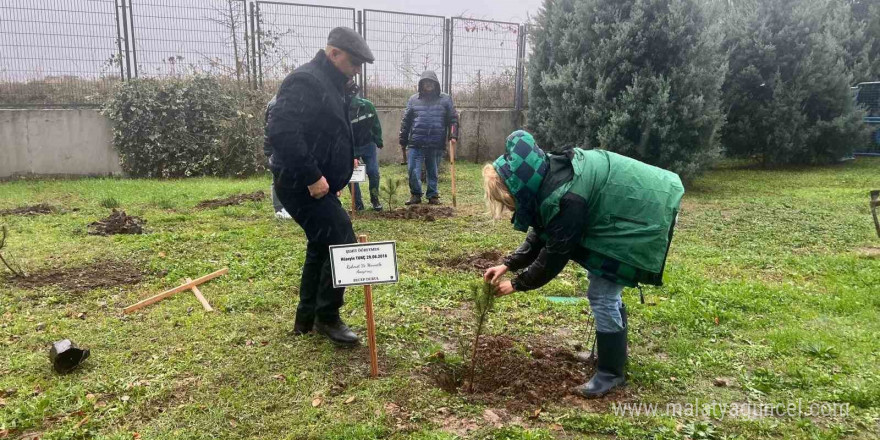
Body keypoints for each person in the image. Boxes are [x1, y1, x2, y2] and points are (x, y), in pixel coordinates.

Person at [482, 130, 684, 398]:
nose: (509, 208)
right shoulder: (547, 175)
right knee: (605, 290)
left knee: (602, 293)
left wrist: (518, 284)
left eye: (508, 201)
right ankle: (609, 355)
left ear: (519, 187)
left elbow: (555, 253)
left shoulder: (568, 198)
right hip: (632, 206)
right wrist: (508, 264)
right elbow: (544, 231)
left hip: (645, 210)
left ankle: (611, 373)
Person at [267, 27, 374, 346]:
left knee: (321, 243)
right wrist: (315, 178)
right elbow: (282, 132)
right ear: (334, 53)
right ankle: (328, 316)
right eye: (354, 63)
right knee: (341, 236)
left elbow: (331, 131)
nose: (357, 70)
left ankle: (306, 318)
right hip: (300, 182)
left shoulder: (333, 83)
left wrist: (338, 172)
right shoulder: (306, 80)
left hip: (318, 184)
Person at [399, 71, 458, 205]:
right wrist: (403, 139)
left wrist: (453, 135)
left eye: (431, 82)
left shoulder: (445, 99)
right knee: (413, 170)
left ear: (435, 83)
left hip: (436, 142)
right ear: (421, 84)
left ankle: (433, 195)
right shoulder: (413, 99)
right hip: (416, 142)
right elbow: (406, 121)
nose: (428, 84)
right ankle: (415, 195)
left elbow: (453, 119)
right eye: (425, 82)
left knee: (433, 171)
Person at [347, 87, 384, 211]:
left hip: (368, 144)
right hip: (351, 146)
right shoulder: (342, 110)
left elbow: (376, 124)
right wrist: (351, 154)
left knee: (373, 172)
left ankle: (375, 200)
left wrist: (378, 140)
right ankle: (357, 204)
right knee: (351, 175)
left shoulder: (368, 106)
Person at [262, 95, 292, 220]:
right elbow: (271, 129)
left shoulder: (282, 101)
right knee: (278, 177)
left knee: (287, 177)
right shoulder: (277, 103)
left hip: (283, 145)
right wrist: (269, 149)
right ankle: (279, 209)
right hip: (277, 146)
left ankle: (287, 207)